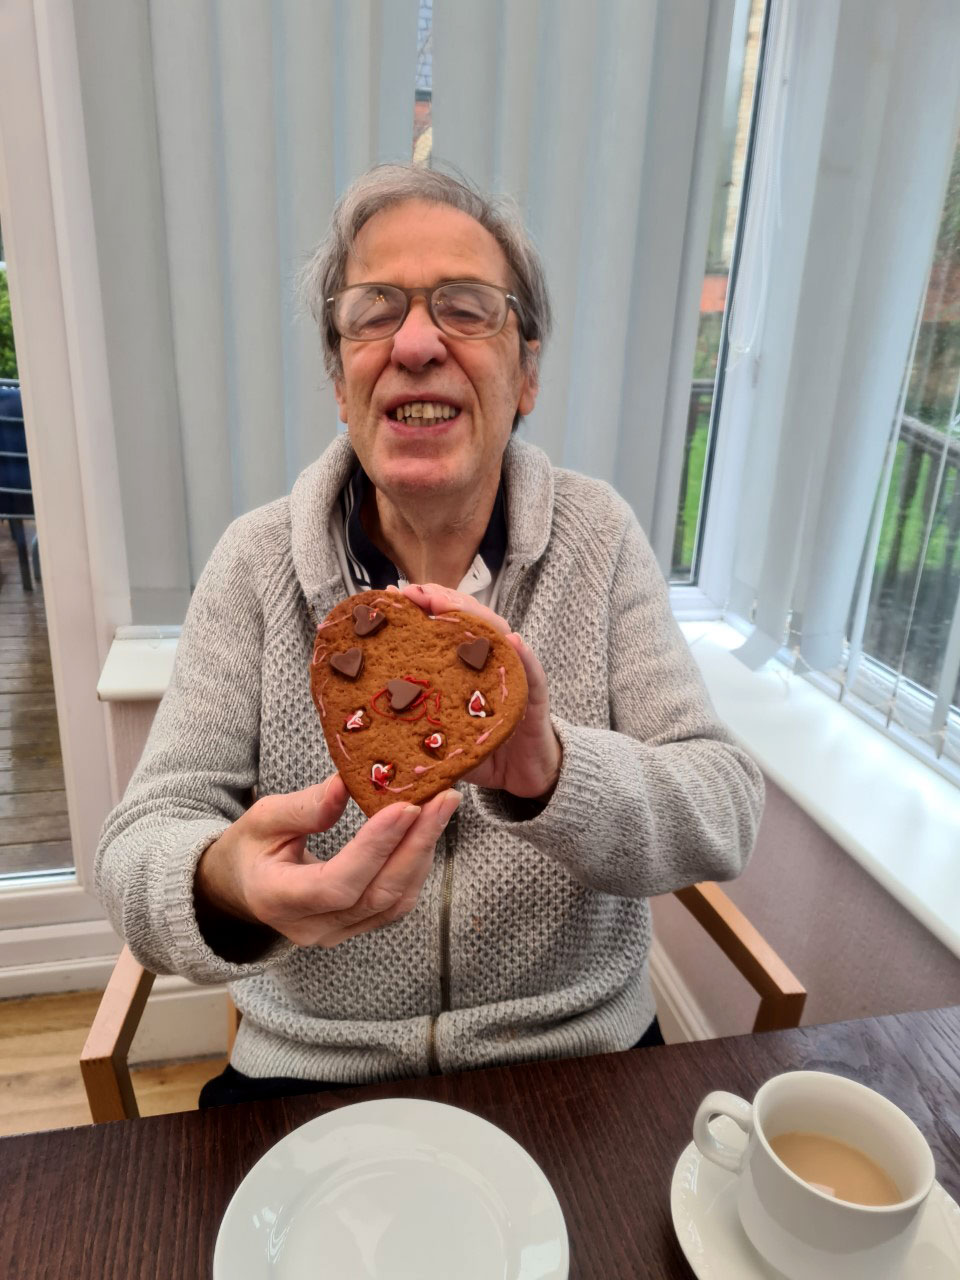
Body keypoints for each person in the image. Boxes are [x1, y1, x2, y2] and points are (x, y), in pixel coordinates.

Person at [95, 164, 764, 1107]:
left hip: (577, 1060)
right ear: (341, 382)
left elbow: (724, 806)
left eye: (466, 308)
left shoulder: (600, 540)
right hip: (312, 1071)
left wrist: (554, 773)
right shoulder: (253, 564)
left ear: (527, 374)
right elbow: (137, 848)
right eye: (374, 312)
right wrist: (230, 884)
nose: (414, 343)